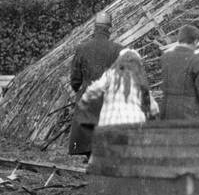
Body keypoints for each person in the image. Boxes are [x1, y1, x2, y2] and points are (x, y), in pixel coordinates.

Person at [76, 49, 159, 153]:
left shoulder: (110, 75)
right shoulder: (139, 80)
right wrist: (153, 114)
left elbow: (94, 89)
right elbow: (152, 106)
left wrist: (85, 100)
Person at [67, 11, 123, 156]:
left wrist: (77, 89)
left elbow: (75, 78)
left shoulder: (82, 48)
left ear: (95, 28)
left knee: (87, 133)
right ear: (109, 29)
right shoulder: (118, 49)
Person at [159, 24, 199, 120]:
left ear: (179, 39)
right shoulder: (197, 61)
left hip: (167, 112)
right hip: (190, 114)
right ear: (195, 41)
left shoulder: (165, 58)